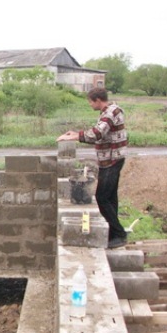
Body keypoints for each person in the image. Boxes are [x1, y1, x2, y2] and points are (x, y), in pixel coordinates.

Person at [57, 87, 128, 249]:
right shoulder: (110, 111)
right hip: (110, 160)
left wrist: (75, 136)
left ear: (97, 100)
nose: (90, 104)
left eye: (90, 101)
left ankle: (119, 234)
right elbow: (100, 131)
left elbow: (97, 134)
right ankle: (112, 233)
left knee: (102, 198)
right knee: (110, 198)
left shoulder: (110, 113)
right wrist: (76, 133)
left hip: (111, 161)